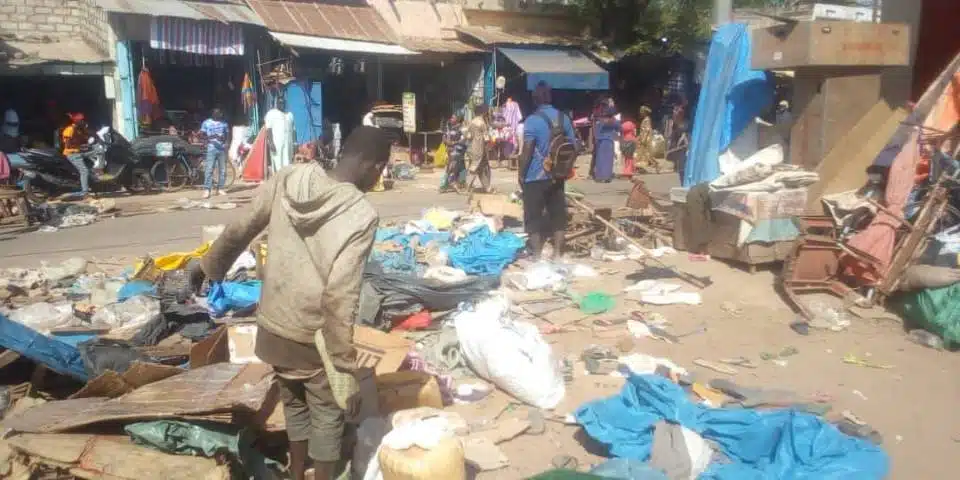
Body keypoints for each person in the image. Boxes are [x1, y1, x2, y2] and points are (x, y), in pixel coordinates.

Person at [190, 126, 393, 480]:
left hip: (272, 331)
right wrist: (343, 365)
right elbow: (340, 295)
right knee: (328, 420)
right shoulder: (361, 215)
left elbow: (242, 226)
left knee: (295, 407)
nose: (379, 178)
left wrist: (209, 265)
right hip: (312, 340)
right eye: (380, 169)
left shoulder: (289, 177)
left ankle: (296, 473)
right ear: (369, 165)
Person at [518, 81, 577, 259]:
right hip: (557, 175)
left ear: (535, 100)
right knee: (558, 214)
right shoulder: (563, 118)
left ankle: (536, 254)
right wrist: (564, 168)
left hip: (534, 176)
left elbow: (527, 151)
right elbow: (574, 146)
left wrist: (521, 174)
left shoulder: (532, 121)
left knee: (533, 216)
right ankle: (558, 253)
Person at [200, 108, 229, 199]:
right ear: (212, 114)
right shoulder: (206, 123)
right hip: (211, 149)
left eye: (219, 113)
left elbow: (228, 135)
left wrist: (226, 144)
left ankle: (220, 188)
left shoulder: (224, 124)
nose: (218, 115)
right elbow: (202, 134)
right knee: (209, 169)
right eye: (216, 113)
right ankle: (207, 189)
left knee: (223, 170)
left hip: (221, 149)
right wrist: (208, 139)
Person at [61, 113, 91, 197]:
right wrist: (81, 147)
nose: (83, 122)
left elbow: (83, 139)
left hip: (78, 151)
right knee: (84, 171)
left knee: (96, 151)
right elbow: (68, 145)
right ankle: (85, 191)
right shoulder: (69, 129)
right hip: (72, 153)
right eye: (81, 120)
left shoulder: (78, 129)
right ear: (77, 121)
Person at [264, 98, 296, 172]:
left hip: (288, 144)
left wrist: (295, 143)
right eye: (280, 103)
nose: (282, 104)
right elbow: (268, 129)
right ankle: (277, 181)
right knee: (278, 162)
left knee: (287, 162)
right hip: (277, 144)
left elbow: (294, 130)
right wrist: (271, 142)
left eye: (283, 103)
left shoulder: (289, 115)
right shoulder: (271, 113)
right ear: (276, 104)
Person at [593, 101, 621, 183]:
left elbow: (596, 131)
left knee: (600, 159)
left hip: (600, 142)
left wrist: (596, 139)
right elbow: (619, 128)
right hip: (609, 141)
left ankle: (599, 176)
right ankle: (607, 177)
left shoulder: (599, 120)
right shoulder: (613, 121)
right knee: (608, 160)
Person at [466, 103, 491, 192]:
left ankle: (487, 187)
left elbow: (468, 136)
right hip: (480, 148)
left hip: (472, 147)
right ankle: (467, 186)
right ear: (483, 112)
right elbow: (486, 138)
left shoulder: (472, 122)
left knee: (481, 167)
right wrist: (489, 147)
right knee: (475, 167)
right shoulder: (482, 123)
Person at [439, 115, 467, 192]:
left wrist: (453, 143)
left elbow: (463, 140)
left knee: (457, 168)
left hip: (458, 151)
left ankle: (457, 183)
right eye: (451, 118)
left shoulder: (462, 129)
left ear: (458, 119)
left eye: (453, 118)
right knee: (451, 168)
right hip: (450, 151)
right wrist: (446, 141)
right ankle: (446, 185)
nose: (451, 119)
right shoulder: (449, 128)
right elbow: (444, 138)